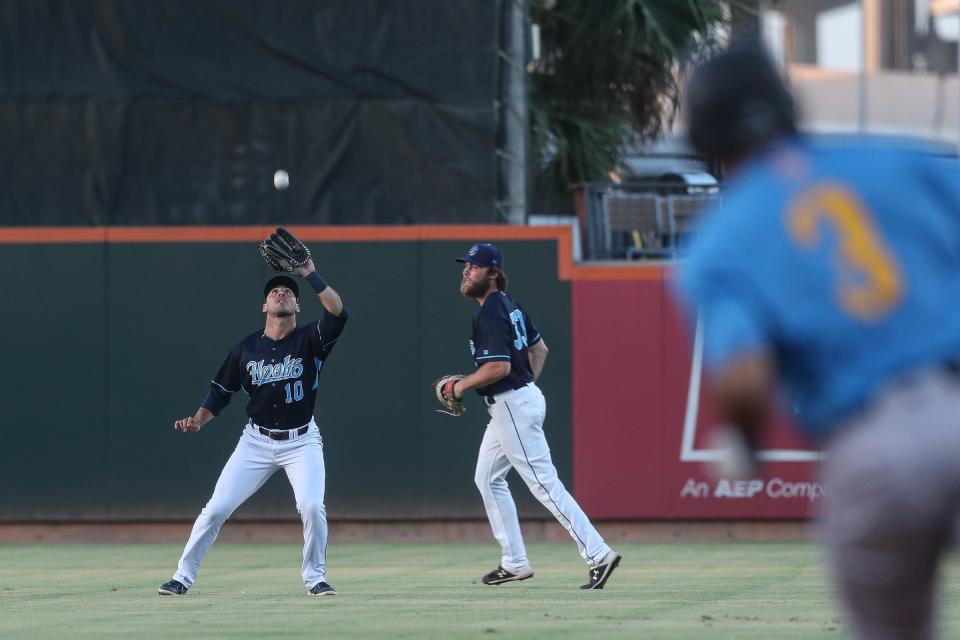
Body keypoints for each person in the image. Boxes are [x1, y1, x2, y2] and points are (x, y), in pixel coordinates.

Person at [674, 46, 960, 639]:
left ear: (705, 138)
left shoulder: (717, 247)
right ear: (787, 106)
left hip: (873, 448)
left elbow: (745, 375)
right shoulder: (899, 161)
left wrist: (745, 439)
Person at [158, 257, 348, 597]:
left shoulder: (311, 340)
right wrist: (199, 420)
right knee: (215, 508)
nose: (280, 293)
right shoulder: (245, 349)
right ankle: (181, 577)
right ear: (264, 304)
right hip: (256, 441)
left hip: (302, 441)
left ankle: (315, 578)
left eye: (288, 292)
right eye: (274, 291)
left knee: (311, 506)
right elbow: (221, 391)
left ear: (297, 304)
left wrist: (308, 274)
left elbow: (338, 313)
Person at [445, 242, 621, 589]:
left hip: (511, 402)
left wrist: (464, 385)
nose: (466, 271)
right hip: (517, 401)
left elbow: (498, 366)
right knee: (487, 478)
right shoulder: (509, 305)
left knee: (544, 484)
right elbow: (539, 349)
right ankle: (514, 562)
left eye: (475, 267)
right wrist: (524, 388)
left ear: (493, 273)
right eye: (465, 266)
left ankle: (599, 554)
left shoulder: (490, 311)